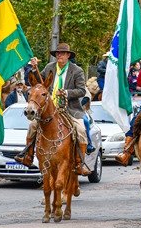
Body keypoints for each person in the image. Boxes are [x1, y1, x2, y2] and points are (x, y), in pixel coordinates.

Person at [14, 43, 90, 175]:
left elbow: (82, 90)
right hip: (48, 108)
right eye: (57, 53)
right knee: (32, 126)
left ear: (68, 55)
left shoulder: (77, 70)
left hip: (69, 108)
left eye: (62, 53)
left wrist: (66, 92)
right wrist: (33, 68)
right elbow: (39, 82)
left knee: (81, 130)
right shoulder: (50, 67)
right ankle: (28, 156)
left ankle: (79, 163)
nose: (59, 55)